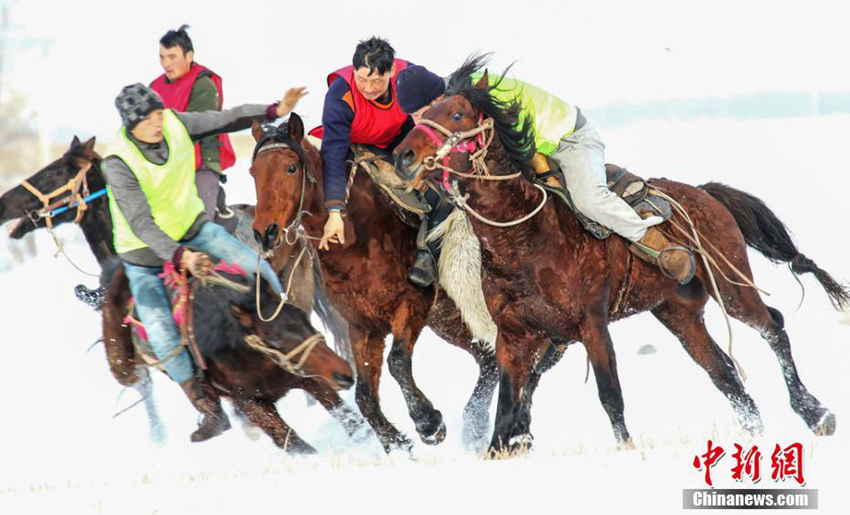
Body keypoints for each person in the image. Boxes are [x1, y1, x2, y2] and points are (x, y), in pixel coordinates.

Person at [103, 83, 307, 442]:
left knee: (257, 266)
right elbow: (141, 223)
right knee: (163, 332)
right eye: (149, 117)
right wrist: (183, 258)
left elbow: (227, 118)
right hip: (144, 257)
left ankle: (291, 335)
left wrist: (276, 109)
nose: (158, 121)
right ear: (131, 124)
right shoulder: (118, 162)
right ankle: (208, 406)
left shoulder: (174, 123)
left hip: (194, 228)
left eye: (158, 113)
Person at [395, 65, 696, 284]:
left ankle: (656, 244)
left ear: (439, 100)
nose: (423, 122)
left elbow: (517, 140)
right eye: (416, 118)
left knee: (589, 199)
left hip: (567, 140)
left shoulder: (477, 97)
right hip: (531, 150)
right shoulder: (453, 109)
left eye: (425, 113)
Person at [310, 37, 440, 287]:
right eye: (362, 79)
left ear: (391, 71)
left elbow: (432, 115)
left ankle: (428, 251)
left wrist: (425, 168)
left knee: (434, 186)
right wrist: (334, 211)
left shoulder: (409, 76)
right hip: (353, 144)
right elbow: (334, 152)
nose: (368, 88)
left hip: (400, 138)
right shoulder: (341, 93)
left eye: (376, 81)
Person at [150, 24, 235, 221]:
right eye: (162, 57)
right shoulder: (154, 88)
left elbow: (192, 130)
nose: (166, 64)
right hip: (165, 166)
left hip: (201, 164)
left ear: (189, 56)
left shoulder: (203, 85)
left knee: (197, 225)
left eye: (172, 57)